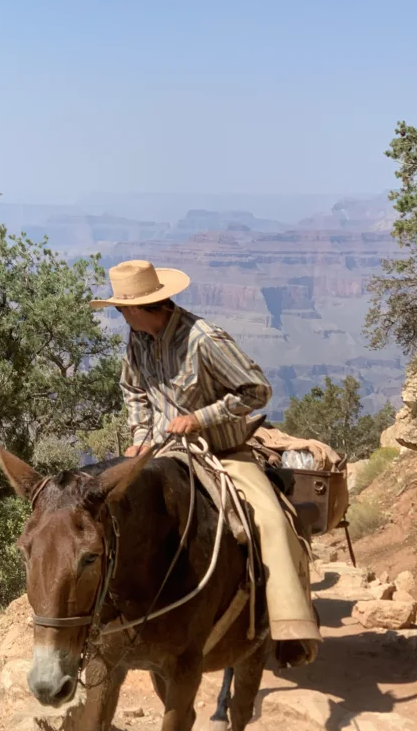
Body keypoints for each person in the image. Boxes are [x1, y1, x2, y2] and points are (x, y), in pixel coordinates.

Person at [90, 259, 320, 646]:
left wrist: (200, 417)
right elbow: (133, 390)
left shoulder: (205, 339)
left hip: (223, 451)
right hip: (164, 454)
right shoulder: (138, 339)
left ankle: (290, 630)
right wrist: (141, 434)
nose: (118, 315)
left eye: (120, 308)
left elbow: (257, 391)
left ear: (136, 308)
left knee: (271, 523)